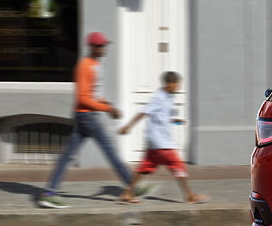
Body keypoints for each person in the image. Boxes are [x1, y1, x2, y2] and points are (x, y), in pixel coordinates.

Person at [39, 32, 143, 208]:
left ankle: (49, 193)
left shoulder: (95, 65)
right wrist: (108, 109)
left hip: (85, 116)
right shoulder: (85, 66)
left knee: (67, 156)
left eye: (104, 45)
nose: (104, 49)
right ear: (92, 47)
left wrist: (106, 103)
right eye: (101, 46)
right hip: (87, 116)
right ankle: (131, 186)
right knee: (110, 151)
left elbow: (93, 94)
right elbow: (83, 98)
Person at [116, 71, 208, 205]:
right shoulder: (159, 98)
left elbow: (162, 117)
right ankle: (189, 196)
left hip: (156, 142)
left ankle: (127, 193)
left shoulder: (169, 97)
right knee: (178, 165)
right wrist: (128, 126)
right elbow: (143, 112)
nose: (178, 87)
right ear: (169, 84)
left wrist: (176, 120)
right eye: (176, 84)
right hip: (160, 142)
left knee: (144, 168)